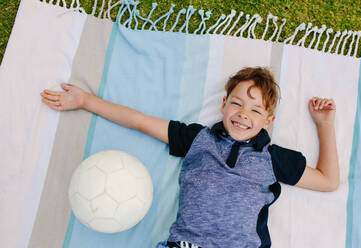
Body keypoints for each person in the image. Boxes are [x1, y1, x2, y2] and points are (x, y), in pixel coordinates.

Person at [40, 67, 339, 248]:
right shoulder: (199, 139)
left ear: (268, 120)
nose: (243, 113)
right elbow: (140, 121)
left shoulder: (272, 159)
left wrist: (324, 125)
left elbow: (328, 180)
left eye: (255, 110)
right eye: (236, 103)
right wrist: (85, 101)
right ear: (223, 104)